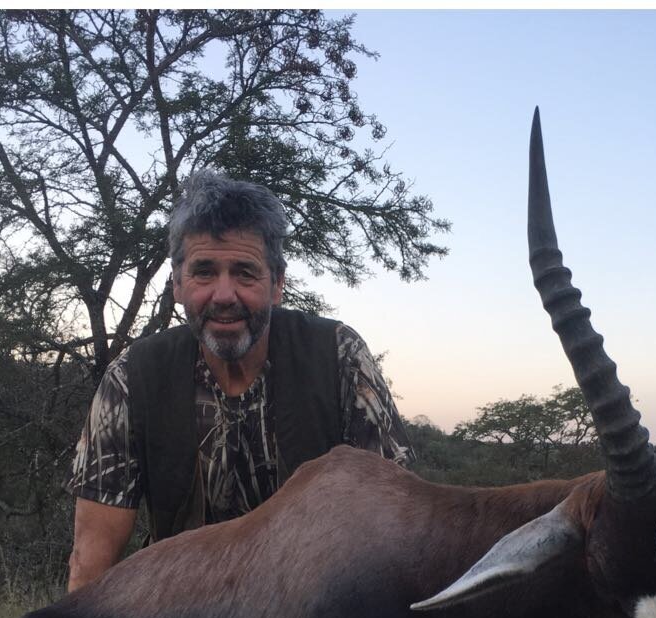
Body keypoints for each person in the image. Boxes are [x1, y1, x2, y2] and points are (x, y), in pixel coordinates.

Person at [66, 170, 414, 591]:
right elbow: (91, 563)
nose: (225, 294)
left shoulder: (339, 357)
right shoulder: (131, 377)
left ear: (277, 284)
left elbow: (395, 532)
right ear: (177, 283)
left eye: (245, 273)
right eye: (204, 272)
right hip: (179, 615)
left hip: (313, 614)